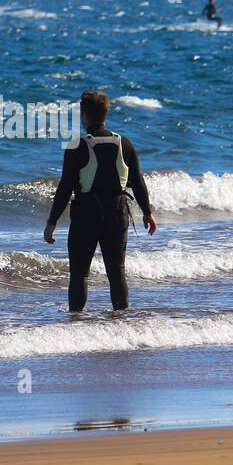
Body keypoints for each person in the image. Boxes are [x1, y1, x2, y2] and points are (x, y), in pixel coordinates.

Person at [44, 90, 156, 312]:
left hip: (86, 214)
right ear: (105, 114)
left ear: (84, 115)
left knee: (79, 274)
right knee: (116, 272)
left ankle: (76, 323)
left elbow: (65, 187)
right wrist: (147, 212)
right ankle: (121, 320)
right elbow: (138, 182)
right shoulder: (124, 143)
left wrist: (52, 221)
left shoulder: (77, 146)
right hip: (118, 213)